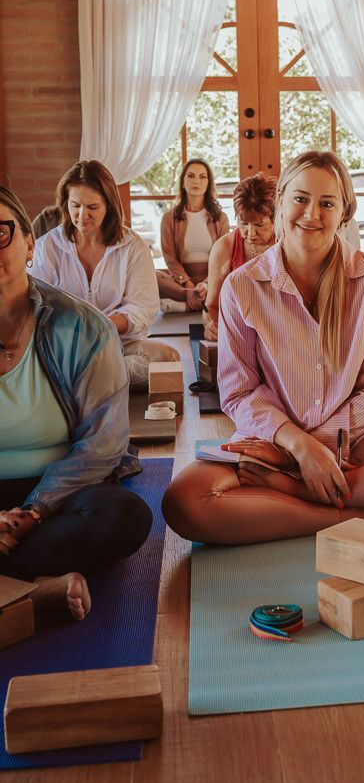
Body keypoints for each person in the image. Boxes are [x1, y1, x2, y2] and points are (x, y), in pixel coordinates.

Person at [162, 151, 364, 545]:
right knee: (186, 501)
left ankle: (300, 494)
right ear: (281, 201)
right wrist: (298, 446)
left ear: (344, 214)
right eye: (300, 199)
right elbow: (239, 392)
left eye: (327, 203)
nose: (311, 214)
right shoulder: (242, 286)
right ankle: (362, 514)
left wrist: (315, 452)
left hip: (357, 439)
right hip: (273, 442)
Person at [0, 186, 152, 619]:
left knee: (123, 516)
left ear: (30, 244)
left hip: (59, 491)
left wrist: (32, 512)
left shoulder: (82, 327)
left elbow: (104, 443)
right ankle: (36, 591)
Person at [30, 160, 179, 386]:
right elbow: (34, 305)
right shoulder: (47, 247)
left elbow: (143, 309)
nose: (82, 215)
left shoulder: (133, 247)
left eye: (92, 207)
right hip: (66, 347)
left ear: (109, 205)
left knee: (166, 359)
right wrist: (73, 333)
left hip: (119, 344)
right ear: (65, 203)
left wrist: (99, 326)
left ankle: (80, 382)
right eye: (75, 206)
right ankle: (97, 380)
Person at [204, 172, 277, 340]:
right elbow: (211, 305)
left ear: (276, 219)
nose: (250, 233)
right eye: (243, 223)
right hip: (238, 329)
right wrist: (212, 327)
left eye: (260, 225)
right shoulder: (224, 247)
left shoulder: (289, 245)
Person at [158, 158, 229, 312]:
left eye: (202, 177)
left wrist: (206, 284)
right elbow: (169, 257)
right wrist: (187, 283)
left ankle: (185, 305)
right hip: (181, 281)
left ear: (208, 183)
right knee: (153, 277)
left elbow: (224, 257)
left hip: (213, 278)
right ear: (183, 182)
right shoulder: (169, 218)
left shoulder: (220, 218)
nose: (196, 181)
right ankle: (202, 301)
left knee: (233, 278)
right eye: (191, 176)